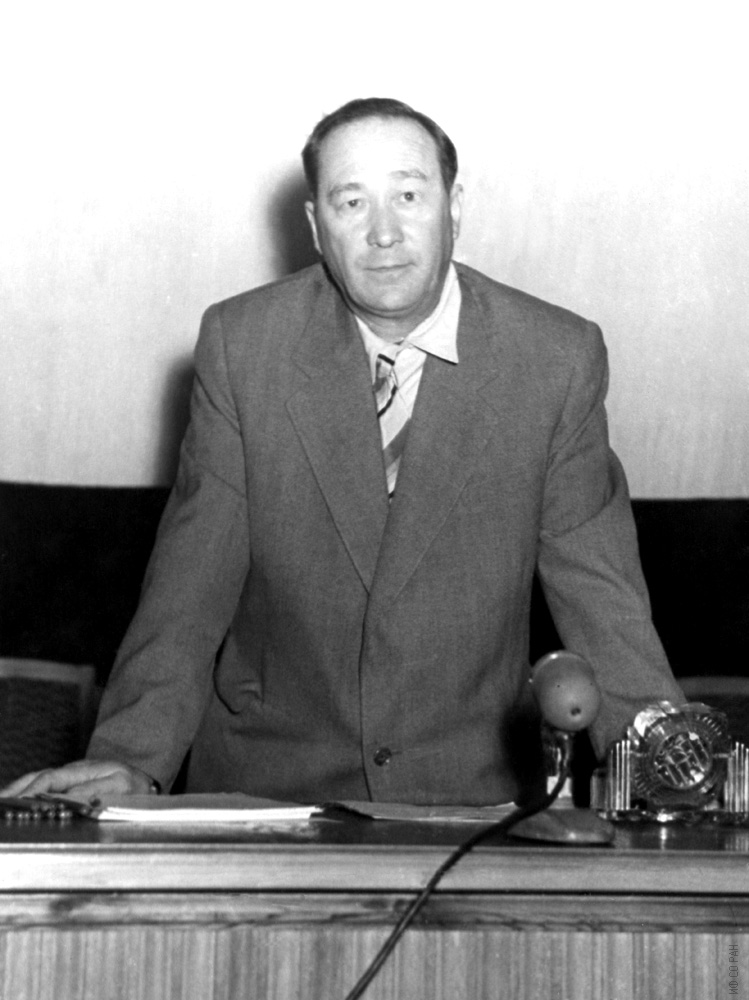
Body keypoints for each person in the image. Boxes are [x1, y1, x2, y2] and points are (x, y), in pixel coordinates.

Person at [3, 97, 683, 806]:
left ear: (454, 206)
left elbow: (601, 597)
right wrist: (131, 761)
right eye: (351, 202)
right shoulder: (244, 347)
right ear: (315, 226)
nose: (383, 233)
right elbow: (188, 592)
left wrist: (668, 765)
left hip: (466, 804)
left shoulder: (554, 359)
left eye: (408, 196)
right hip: (269, 792)